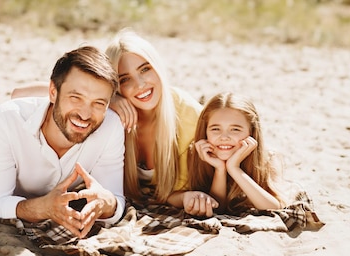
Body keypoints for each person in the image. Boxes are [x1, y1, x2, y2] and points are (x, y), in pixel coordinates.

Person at [11, 29, 219, 217]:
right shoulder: (106, 111)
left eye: (145, 69)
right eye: (125, 79)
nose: (140, 85)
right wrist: (110, 99)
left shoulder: (189, 114)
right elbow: (19, 94)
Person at [0, 46, 126, 238]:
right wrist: (42, 208)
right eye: (76, 98)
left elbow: (114, 198)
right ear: (52, 92)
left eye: (98, 103)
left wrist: (106, 203)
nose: (85, 114)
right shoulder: (9, 118)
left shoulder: (110, 127)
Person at [188, 92, 286, 214]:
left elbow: (273, 207)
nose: (224, 137)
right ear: (205, 131)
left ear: (251, 132)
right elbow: (216, 209)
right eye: (215, 129)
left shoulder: (269, 158)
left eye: (235, 129)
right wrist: (220, 169)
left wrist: (234, 168)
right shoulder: (194, 154)